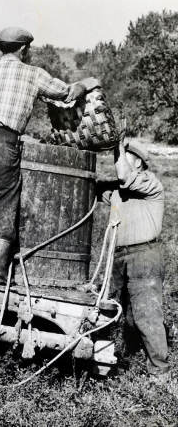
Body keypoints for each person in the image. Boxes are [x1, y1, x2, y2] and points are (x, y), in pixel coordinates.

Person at [0, 26, 88, 284]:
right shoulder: (33, 74)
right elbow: (66, 93)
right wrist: (86, 84)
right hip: (5, 141)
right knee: (5, 203)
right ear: (24, 49)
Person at [97, 138, 169, 381]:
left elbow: (125, 177)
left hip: (144, 255)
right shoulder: (120, 188)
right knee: (108, 309)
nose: (118, 162)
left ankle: (159, 371)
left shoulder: (149, 183)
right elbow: (97, 187)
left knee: (146, 313)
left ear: (137, 163)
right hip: (117, 256)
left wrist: (116, 146)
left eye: (123, 156)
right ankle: (106, 361)